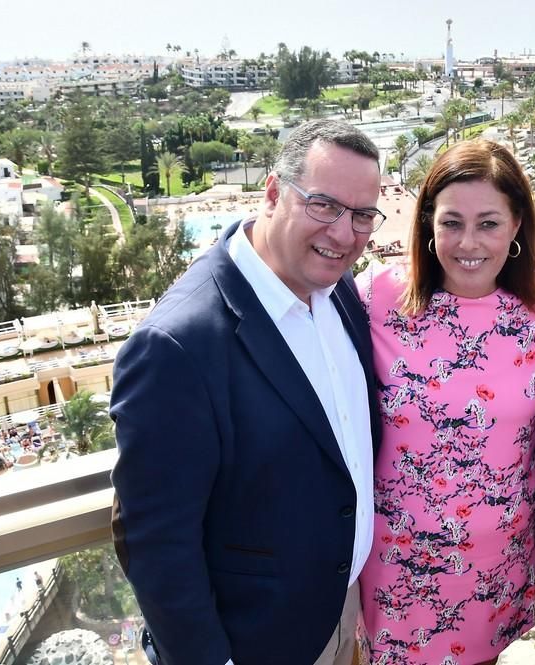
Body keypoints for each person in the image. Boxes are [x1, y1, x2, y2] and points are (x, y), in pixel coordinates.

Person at [110, 119, 385, 665]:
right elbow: (156, 541)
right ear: (273, 191)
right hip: (253, 644)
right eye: (324, 204)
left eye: (361, 215)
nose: (342, 232)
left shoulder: (340, 291)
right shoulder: (177, 344)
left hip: (338, 615)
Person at [357, 139, 535, 665]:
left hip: (499, 556)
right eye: (451, 222)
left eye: (489, 222)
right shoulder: (377, 298)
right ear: (427, 224)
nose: (469, 242)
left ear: (517, 227)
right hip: (401, 562)